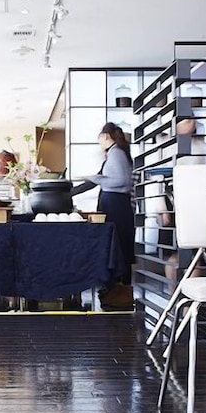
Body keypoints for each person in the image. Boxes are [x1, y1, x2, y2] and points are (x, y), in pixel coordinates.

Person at [79, 122, 135, 309]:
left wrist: (94, 178)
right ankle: (114, 290)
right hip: (115, 204)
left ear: (105, 137)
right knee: (117, 245)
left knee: (118, 245)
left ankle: (120, 292)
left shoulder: (116, 153)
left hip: (116, 205)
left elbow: (121, 181)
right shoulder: (115, 153)